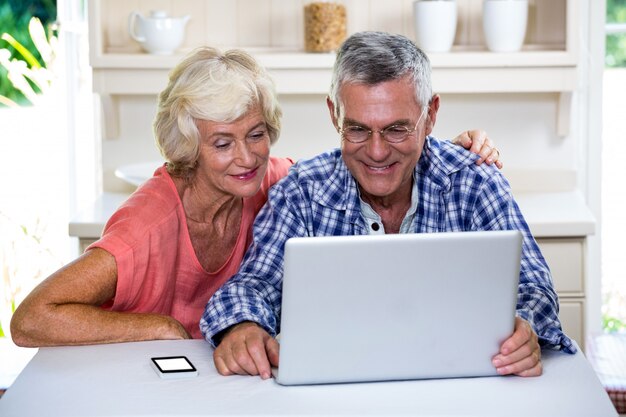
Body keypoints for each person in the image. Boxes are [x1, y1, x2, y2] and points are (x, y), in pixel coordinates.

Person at [10, 46, 499, 347]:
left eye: (258, 134)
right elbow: (31, 319)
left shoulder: (271, 181)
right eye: (223, 143)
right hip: (139, 372)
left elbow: (358, 162)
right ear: (189, 146)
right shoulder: (148, 227)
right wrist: (158, 329)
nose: (247, 157)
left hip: (219, 374)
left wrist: (439, 150)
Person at [200, 31, 575, 380]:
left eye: (397, 129)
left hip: (457, 389)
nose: (377, 152)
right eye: (358, 129)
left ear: (430, 115)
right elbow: (251, 286)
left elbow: (535, 289)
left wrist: (525, 327)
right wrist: (243, 327)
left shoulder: (474, 182)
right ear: (334, 115)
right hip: (337, 393)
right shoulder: (302, 192)